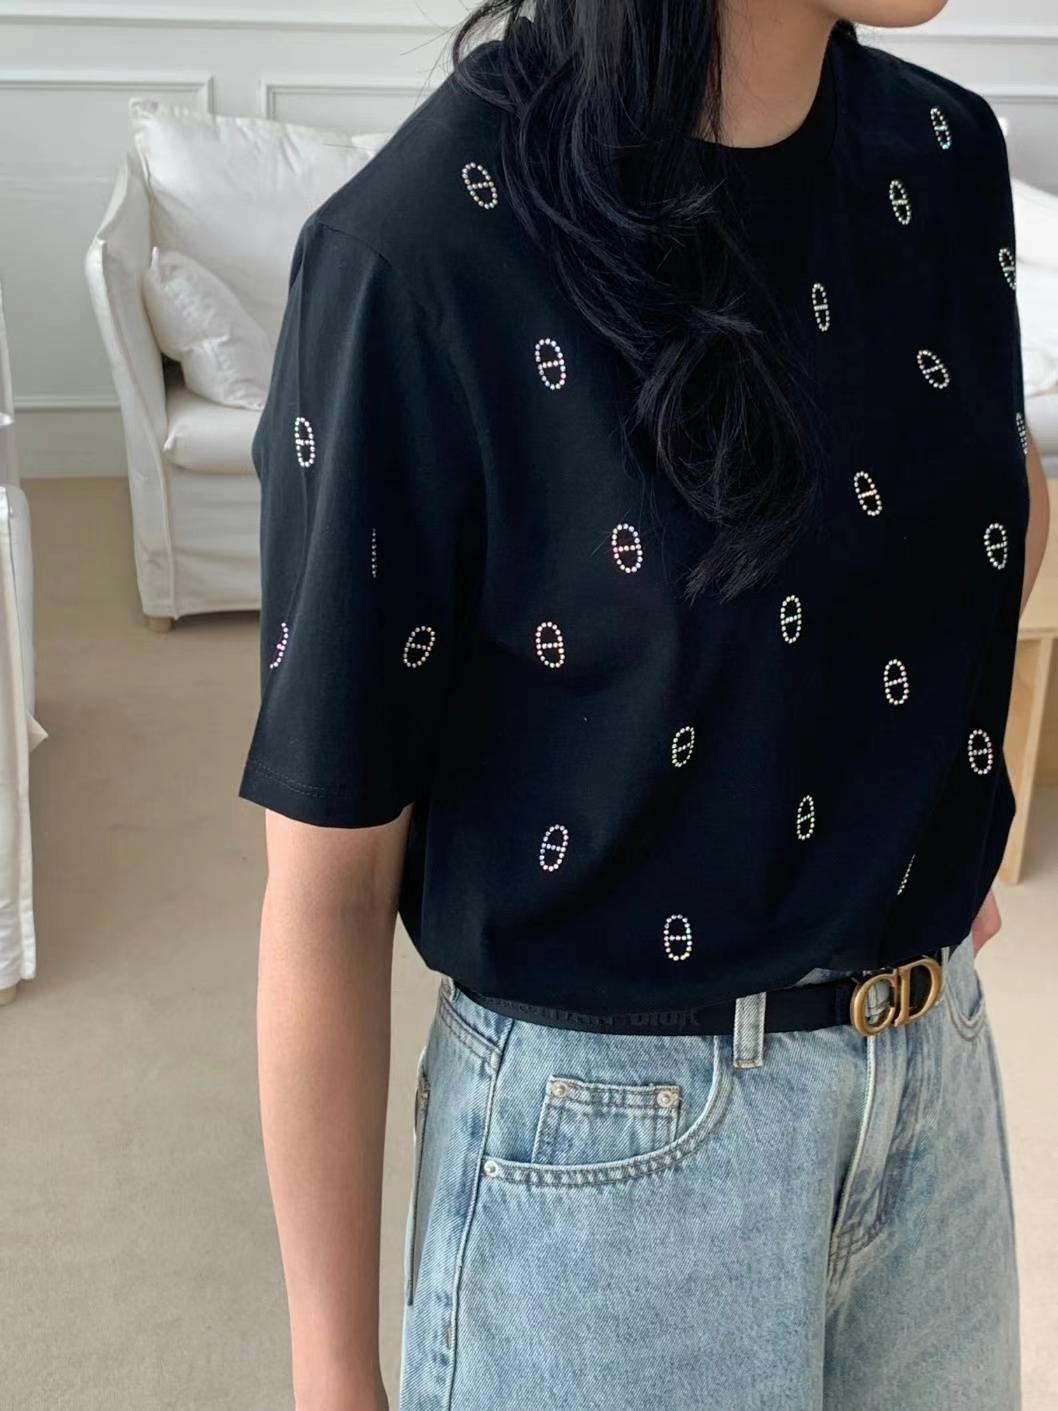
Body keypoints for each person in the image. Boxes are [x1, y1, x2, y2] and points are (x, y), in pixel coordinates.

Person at [237, 2, 1051, 1407]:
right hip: (608, 1165)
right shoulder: (423, 248)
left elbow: (986, 520)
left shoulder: (943, 153)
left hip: (930, 1088)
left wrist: (900, 801)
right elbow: (327, 884)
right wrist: (333, 1377)